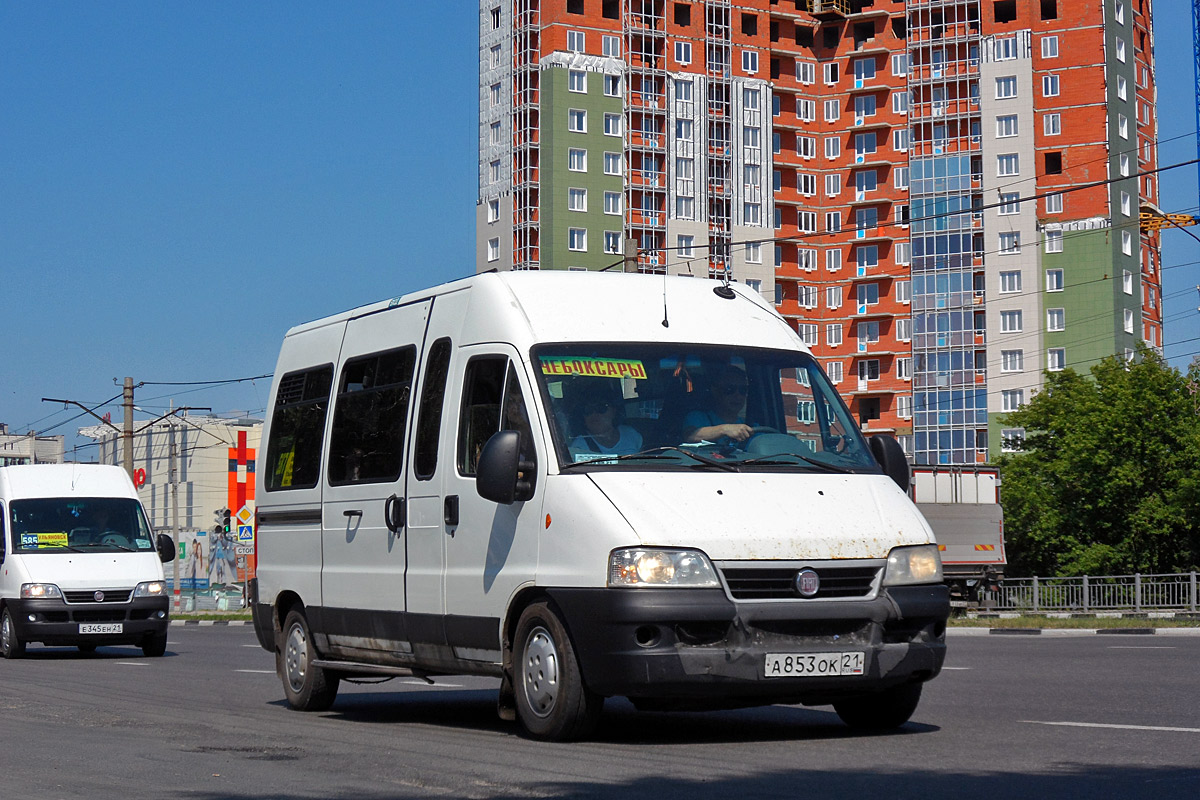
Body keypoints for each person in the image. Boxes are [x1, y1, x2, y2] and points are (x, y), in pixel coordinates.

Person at [682, 364, 755, 445]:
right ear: (715, 391)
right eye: (730, 389)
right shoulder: (698, 417)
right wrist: (725, 429)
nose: (738, 396)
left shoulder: (751, 425)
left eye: (743, 390)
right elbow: (690, 435)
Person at [570, 388, 643, 455]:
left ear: (614, 411)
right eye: (588, 410)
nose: (594, 414)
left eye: (601, 408)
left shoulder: (631, 434)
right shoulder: (579, 446)